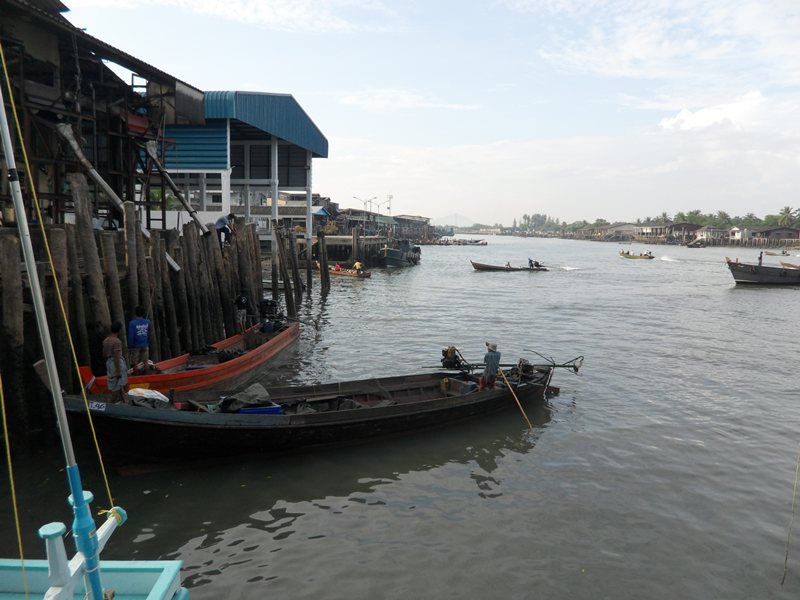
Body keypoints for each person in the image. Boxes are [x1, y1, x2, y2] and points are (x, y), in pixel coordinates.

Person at [102, 321, 128, 404]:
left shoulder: (106, 340)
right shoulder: (117, 341)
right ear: (119, 330)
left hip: (109, 363)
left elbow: (104, 354)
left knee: (116, 383)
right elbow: (117, 356)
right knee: (117, 385)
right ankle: (112, 404)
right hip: (116, 364)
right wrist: (118, 370)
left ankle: (124, 400)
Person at [127, 306, 151, 374]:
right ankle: (148, 375)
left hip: (135, 345)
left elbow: (131, 336)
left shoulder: (132, 323)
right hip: (145, 344)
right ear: (143, 313)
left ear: (135, 313)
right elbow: (148, 332)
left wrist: (130, 345)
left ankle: (137, 376)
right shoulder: (147, 322)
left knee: (135, 362)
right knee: (145, 361)